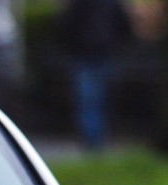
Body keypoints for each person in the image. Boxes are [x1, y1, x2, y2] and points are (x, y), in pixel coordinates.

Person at [56, 0, 135, 152]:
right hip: (105, 53)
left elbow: (66, 26)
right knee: (103, 97)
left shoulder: (79, 4)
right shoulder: (112, 3)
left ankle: (91, 138)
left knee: (87, 99)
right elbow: (124, 26)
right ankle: (99, 137)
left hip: (84, 54)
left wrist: (70, 47)